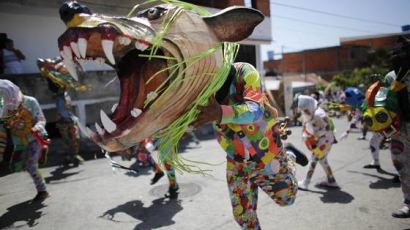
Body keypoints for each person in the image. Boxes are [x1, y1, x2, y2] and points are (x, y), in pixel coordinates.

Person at [193, 63, 308, 229]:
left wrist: (219, 113)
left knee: (286, 199)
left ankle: (289, 154)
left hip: (267, 153)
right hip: (237, 161)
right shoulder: (197, 88)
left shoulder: (244, 72)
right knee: (243, 216)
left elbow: (254, 111)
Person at [0, 80, 49, 201]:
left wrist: (37, 127)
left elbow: (41, 119)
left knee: (31, 165)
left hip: (35, 139)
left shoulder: (30, 101)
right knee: (16, 167)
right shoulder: (3, 107)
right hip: (19, 143)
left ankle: (42, 190)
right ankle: (41, 154)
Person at [37, 57, 84, 166]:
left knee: (74, 138)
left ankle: (72, 156)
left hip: (68, 118)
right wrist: (49, 63)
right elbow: (40, 62)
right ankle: (71, 157)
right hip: (63, 120)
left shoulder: (64, 91)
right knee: (69, 139)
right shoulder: (51, 76)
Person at [387, 37, 410, 218]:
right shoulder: (390, 77)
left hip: (401, 128)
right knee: (402, 166)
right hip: (398, 129)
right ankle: (408, 202)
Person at [297, 95, 339, 190]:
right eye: (303, 110)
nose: (305, 112)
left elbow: (329, 128)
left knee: (314, 159)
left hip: (325, 140)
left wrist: (315, 135)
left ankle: (305, 183)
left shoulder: (319, 114)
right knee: (322, 160)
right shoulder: (311, 112)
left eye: (306, 110)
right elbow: (306, 123)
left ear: (310, 106)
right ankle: (332, 181)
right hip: (324, 139)